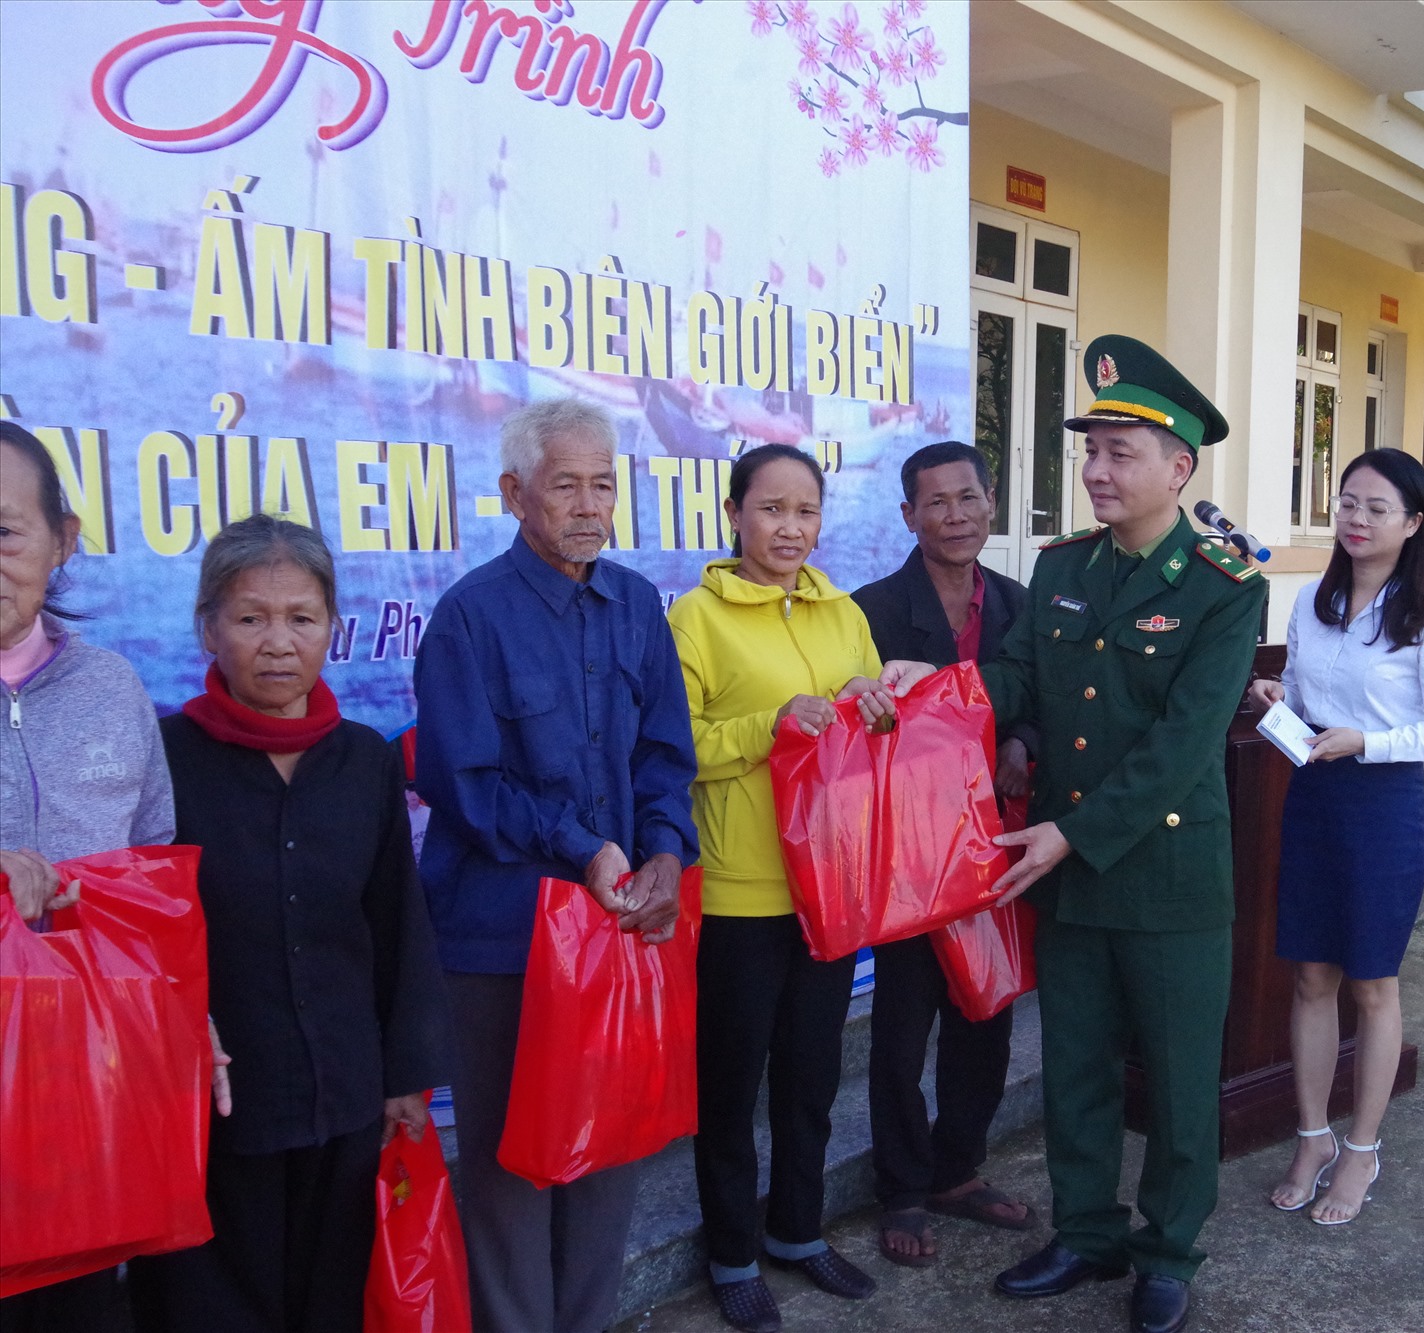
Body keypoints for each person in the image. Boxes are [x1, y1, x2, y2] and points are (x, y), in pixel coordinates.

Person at [978, 336, 1265, 1333]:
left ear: (1178, 468)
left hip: (1170, 876)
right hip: (1069, 874)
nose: (1096, 471)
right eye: (1089, 451)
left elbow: (1183, 745)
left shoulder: (1223, 586)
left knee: (1182, 1079)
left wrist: (1069, 832)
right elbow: (1010, 681)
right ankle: (1085, 1233)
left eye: (1120, 452)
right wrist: (924, 695)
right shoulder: (1060, 568)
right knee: (1076, 1064)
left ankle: (1166, 1250)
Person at [413, 398, 699, 1332]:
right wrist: (584, 846)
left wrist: (663, 849)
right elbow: (465, 784)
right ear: (513, 494)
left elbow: (665, 752)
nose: (589, 503)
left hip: (616, 929)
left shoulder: (637, 602)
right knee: (511, 1166)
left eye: (604, 482)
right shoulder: (468, 618)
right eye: (566, 482)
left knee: (608, 1154)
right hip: (501, 939)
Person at [127, 516, 452, 1333]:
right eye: (250, 618)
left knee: (332, 1300)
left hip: (344, 1090)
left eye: (301, 618)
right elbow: (140, 925)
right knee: (210, 1305)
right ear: (208, 627)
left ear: (332, 629)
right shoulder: (163, 758)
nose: (278, 642)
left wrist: (405, 1074)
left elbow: (396, 921)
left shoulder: (365, 761)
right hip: (215, 1100)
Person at [668, 443, 932, 1333]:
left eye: (806, 511)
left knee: (812, 1076)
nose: (790, 528)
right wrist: (769, 724)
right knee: (733, 1083)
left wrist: (873, 693)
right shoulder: (696, 618)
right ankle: (734, 1253)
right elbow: (678, 746)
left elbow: (864, 724)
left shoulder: (841, 612)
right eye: (772, 508)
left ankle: (796, 1230)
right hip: (743, 890)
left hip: (832, 882)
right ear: (735, 512)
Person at [1247, 450, 1424, 1227]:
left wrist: (1367, 743)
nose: (1357, 518)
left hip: (1382, 807)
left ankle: (1362, 1148)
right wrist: (1281, 694)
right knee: (1311, 977)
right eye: (1347, 502)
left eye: (1377, 508)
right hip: (1314, 796)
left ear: (1412, 523)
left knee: (1372, 985)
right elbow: (1311, 699)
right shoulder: (1312, 599)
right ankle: (1312, 1137)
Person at [0, 420, 176, 1333]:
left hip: (87, 1093)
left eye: (4, 531)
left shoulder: (113, 686)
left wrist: (191, 1026)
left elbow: (154, 880)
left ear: (63, 540)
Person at [851, 441, 1036, 1267]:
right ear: (908, 516)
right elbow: (861, 732)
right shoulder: (874, 609)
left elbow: (1042, 701)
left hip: (996, 845)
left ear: (992, 504)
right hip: (912, 854)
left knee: (986, 1012)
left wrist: (1021, 742)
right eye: (936, 503)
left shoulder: (1022, 604)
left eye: (969, 498)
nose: (955, 515)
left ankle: (959, 1166)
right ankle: (903, 1186)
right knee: (901, 1023)